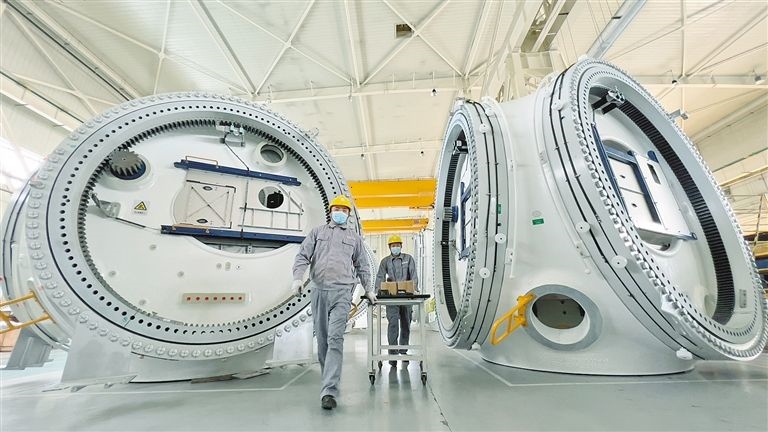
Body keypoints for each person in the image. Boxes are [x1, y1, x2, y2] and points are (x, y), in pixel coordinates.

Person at [291, 195, 376, 410]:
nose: (340, 213)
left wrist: (369, 289)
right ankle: (327, 378)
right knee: (323, 341)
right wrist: (297, 278)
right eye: (337, 209)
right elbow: (302, 256)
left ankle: (329, 390)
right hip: (319, 291)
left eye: (344, 210)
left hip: (342, 293)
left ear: (348, 214)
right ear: (331, 211)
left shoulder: (354, 238)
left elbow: (362, 265)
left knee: (335, 339)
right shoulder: (317, 233)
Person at [375, 234, 418, 367]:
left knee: (406, 324)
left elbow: (414, 275)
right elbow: (380, 277)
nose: (396, 247)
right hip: (392, 298)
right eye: (393, 246)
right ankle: (392, 355)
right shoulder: (385, 261)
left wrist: (414, 289)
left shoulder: (408, 259)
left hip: (406, 297)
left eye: (398, 245)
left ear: (401, 246)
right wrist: (378, 292)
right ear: (389, 247)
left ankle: (403, 352)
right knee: (393, 324)